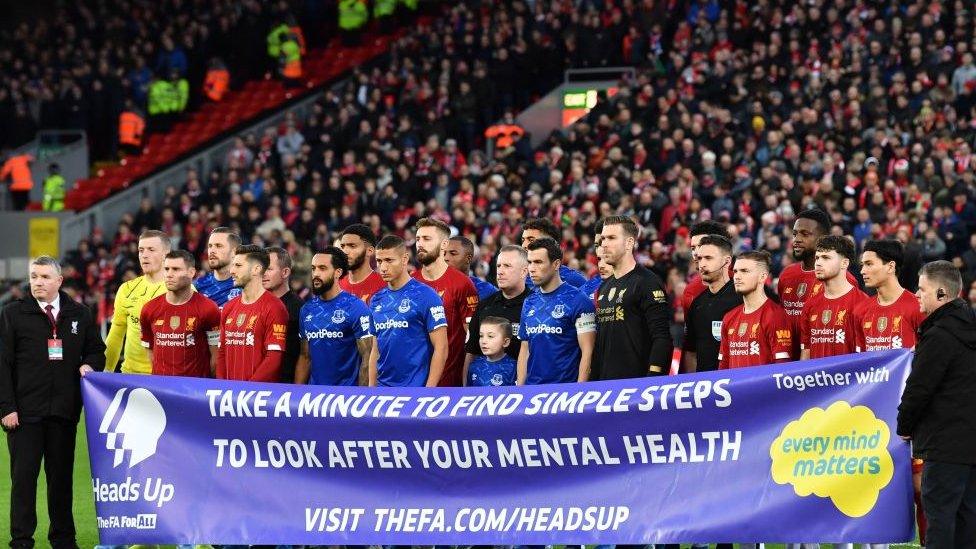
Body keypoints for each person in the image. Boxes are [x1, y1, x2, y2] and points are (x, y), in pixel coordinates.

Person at [0, 256, 105, 549]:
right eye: (34, 276)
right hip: (23, 414)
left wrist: (90, 366)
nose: (38, 282)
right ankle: (21, 540)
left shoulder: (79, 314)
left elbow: (97, 351)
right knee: (24, 480)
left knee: (61, 480)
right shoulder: (12, 314)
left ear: (59, 281)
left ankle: (63, 539)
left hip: (64, 412)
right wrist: (6, 408)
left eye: (45, 277)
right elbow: (2, 364)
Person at [854, 239, 929, 547]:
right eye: (861, 264)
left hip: (915, 415)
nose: (863, 270)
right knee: (876, 487)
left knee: (921, 489)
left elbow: (928, 363)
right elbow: (862, 367)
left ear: (891, 266)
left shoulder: (917, 307)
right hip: (877, 416)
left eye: (869, 263)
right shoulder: (861, 311)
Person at [898, 260, 976, 549]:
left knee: (939, 516)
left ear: (942, 294)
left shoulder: (939, 335)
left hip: (944, 443)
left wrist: (904, 426)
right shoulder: (969, 328)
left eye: (921, 289)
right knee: (968, 517)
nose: (916, 295)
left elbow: (919, 388)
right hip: (969, 442)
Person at [593, 216, 673, 380]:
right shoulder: (603, 287)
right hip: (605, 386)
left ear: (629, 243)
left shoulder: (647, 282)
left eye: (611, 238)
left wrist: (653, 380)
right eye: (603, 239)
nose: (604, 244)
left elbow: (662, 338)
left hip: (637, 387)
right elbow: (601, 343)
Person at [369, 235, 448, 387]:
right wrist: (372, 390)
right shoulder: (376, 300)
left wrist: (428, 392)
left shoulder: (427, 296)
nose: (383, 267)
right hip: (383, 389)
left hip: (415, 390)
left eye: (389, 260)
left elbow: (442, 347)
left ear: (404, 259)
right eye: (379, 261)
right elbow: (375, 350)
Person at [517, 238, 596, 384]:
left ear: (556, 264)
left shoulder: (579, 300)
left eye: (538, 262)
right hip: (532, 391)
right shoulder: (529, 301)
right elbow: (525, 349)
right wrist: (520, 390)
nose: (531, 268)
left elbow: (588, 351)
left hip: (564, 393)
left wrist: (580, 390)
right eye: (530, 262)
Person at [412, 217, 479, 387]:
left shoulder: (462, 283)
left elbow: (471, 335)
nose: (420, 244)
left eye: (427, 239)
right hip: (412, 380)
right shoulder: (411, 282)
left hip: (449, 383)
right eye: (418, 239)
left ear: (444, 245)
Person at [295, 247, 374, 386]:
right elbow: (305, 356)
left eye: (322, 268)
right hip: (314, 396)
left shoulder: (355, 307)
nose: (316, 274)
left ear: (338, 272)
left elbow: (368, 357)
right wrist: (297, 394)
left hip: (345, 397)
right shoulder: (307, 310)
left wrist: (362, 397)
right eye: (313, 268)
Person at [139, 250, 221, 377]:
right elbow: (151, 355)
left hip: (194, 391)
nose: (169, 274)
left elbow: (216, 359)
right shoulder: (149, 309)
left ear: (191, 273)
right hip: (161, 390)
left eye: (176, 269)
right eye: (166, 269)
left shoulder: (209, 309)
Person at [217, 245, 289, 382]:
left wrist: (248, 390)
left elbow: (273, 358)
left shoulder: (275, 307)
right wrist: (223, 387)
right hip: (229, 396)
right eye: (232, 265)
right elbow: (221, 353)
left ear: (256, 269)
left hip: (256, 397)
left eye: (238, 265)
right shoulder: (229, 307)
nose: (231, 271)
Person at [779, 209, 858, 332]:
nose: (797, 239)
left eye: (805, 234)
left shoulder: (843, 279)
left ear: (823, 238)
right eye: (795, 234)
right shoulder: (786, 275)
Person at [104, 230, 170, 374]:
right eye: (141, 250)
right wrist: (107, 371)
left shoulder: (182, 290)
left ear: (166, 254)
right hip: (130, 376)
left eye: (151, 250)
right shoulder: (126, 289)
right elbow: (116, 334)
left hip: (166, 379)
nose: (144, 255)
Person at [719, 251, 794, 369]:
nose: (737, 276)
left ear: (763, 277)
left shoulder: (776, 316)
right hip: (735, 388)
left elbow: (782, 369)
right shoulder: (729, 317)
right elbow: (723, 366)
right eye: (735, 271)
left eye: (744, 271)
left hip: (764, 388)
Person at [800, 236, 868, 360]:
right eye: (817, 258)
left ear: (844, 263)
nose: (818, 263)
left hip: (849, 378)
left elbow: (866, 357)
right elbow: (806, 353)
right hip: (815, 379)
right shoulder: (810, 305)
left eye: (826, 258)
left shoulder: (863, 304)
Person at [465, 245, 531, 368]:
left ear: (523, 272)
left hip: (526, 385)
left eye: (507, 266)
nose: (500, 271)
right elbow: (471, 351)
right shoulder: (485, 306)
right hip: (485, 384)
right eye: (499, 266)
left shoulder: (536, 306)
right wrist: (465, 385)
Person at [681, 235, 739, 373]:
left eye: (709, 258)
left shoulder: (742, 298)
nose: (702, 264)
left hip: (737, 385)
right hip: (705, 387)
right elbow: (691, 353)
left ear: (727, 261)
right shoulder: (697, 304)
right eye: (700, 258)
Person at [263, 247, 304, 384]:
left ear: (285, 272)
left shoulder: (299, 308)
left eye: (268, 269)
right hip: (254, 385)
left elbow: (304, 356)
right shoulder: (255, 304)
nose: (263, 273)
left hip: (285, 388)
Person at [520, 218, 587, 288]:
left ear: (550, 243)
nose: (524, 245)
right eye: (523, 240)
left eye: (531, 240)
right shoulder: (519, 278)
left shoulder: (573, 280)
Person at [681, 220, 731, 312]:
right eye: (693, 248)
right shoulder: (691, 291)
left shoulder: (746, 283)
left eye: (701, 245)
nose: (696, 253)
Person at [338, 223, 386, 304]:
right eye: (343, 246)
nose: (345, 252)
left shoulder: (384, 286)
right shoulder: (336, 286)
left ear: (369, 251)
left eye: (352, 246)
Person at [194, 227, 243, 308]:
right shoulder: (197, 286)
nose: (212, 250)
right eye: (210, 246)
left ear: (235, 252)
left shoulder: (246, 285)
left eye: (218, 246)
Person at [465, 316, 517, 387]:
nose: (483, 341)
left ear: (505, 342)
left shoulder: (514, 368)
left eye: (490, 336)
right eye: (481, 336)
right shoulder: (474, 366)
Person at [443, 235, 498, 300]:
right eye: (444, 254)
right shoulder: (433, 288)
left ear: (468, 258)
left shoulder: (487, 291)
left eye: (453, 253)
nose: (445, 258)